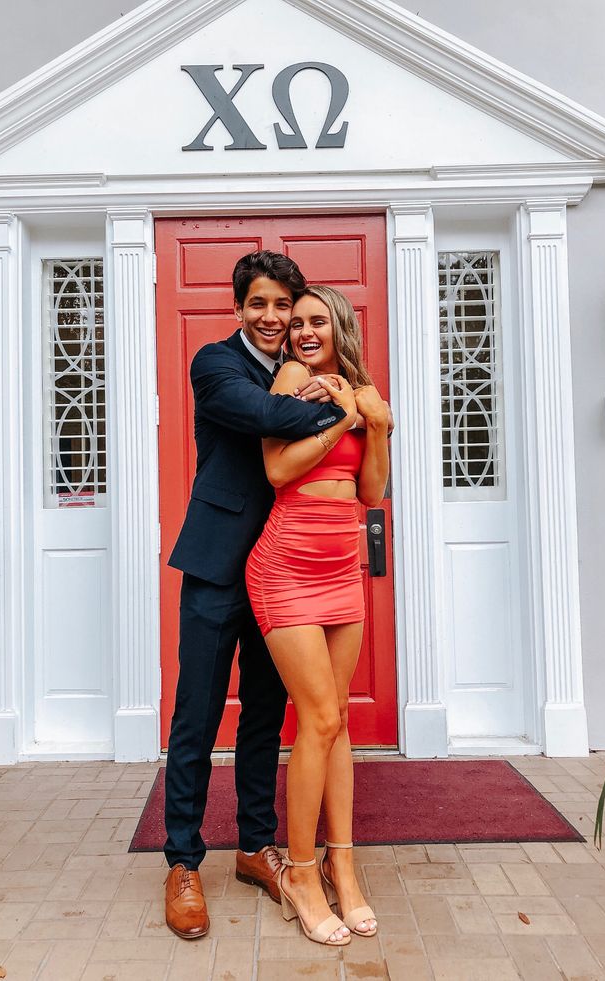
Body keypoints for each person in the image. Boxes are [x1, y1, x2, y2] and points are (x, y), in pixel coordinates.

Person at [163, 252, 349, 940]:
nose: (273, 318)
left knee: (264, 716)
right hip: (217, 563)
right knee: (197, 713)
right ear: (238, 308)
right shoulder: (216, 364)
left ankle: (252, 845)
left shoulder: (298, 367)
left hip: (281, 572)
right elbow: (257, 413)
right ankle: (182, 861)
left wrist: (320, 397)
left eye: (283, 306)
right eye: (260, 305)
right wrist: (334, 402)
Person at [246, 285, 390, 947]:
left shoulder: (357, 385)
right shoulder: (293, 378)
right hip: (286, 564)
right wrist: (341, 421)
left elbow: (369, 490)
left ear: (340, 325)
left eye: (314, 320)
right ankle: (301, 872)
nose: (301, 331)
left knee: (338, 727)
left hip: (342, 565)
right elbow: (278, 469)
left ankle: (342, 862)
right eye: (294, 321)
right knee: (320, 717)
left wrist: (377, 426)